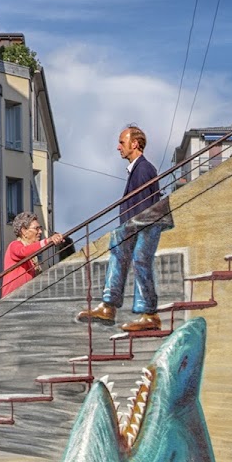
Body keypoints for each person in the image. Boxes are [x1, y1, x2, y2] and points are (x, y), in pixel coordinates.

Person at [78, 125, 171, 333]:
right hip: (138, 224)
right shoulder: (137, 169)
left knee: (140, 259)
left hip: (146, 224)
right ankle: (109, 306)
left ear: (134, 144)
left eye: (122, 142)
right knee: (120, 251)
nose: (118, 147)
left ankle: (149, 314)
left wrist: (129, 229)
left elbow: (143, 204)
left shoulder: (144, 168)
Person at [2, 212, 64, 298]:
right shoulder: (14, 245)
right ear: (24, 231)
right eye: (37, 228)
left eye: (40, 228)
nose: (40, 231)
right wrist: (47, 241)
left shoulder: (33, 258)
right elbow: (23, 252)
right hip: (12, 300)